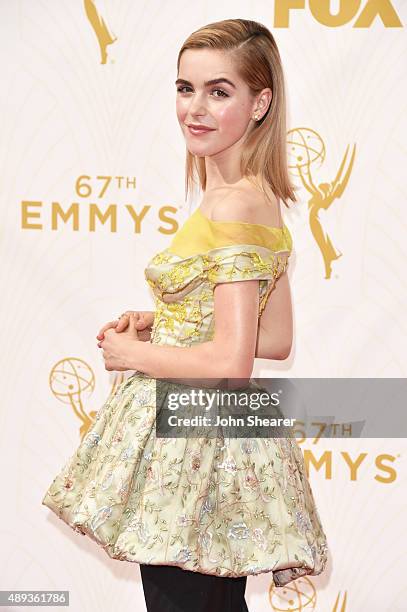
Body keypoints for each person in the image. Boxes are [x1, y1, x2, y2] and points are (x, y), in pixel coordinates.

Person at [42, 18, 328, 612]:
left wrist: (133, 354)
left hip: (195, 442)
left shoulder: (233, 203)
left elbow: (231, 360)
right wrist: (165, 321)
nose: (194, 109)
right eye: (185, 88)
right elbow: (273, 338)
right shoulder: (256, 196)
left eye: (219, 92)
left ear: (260, 104)